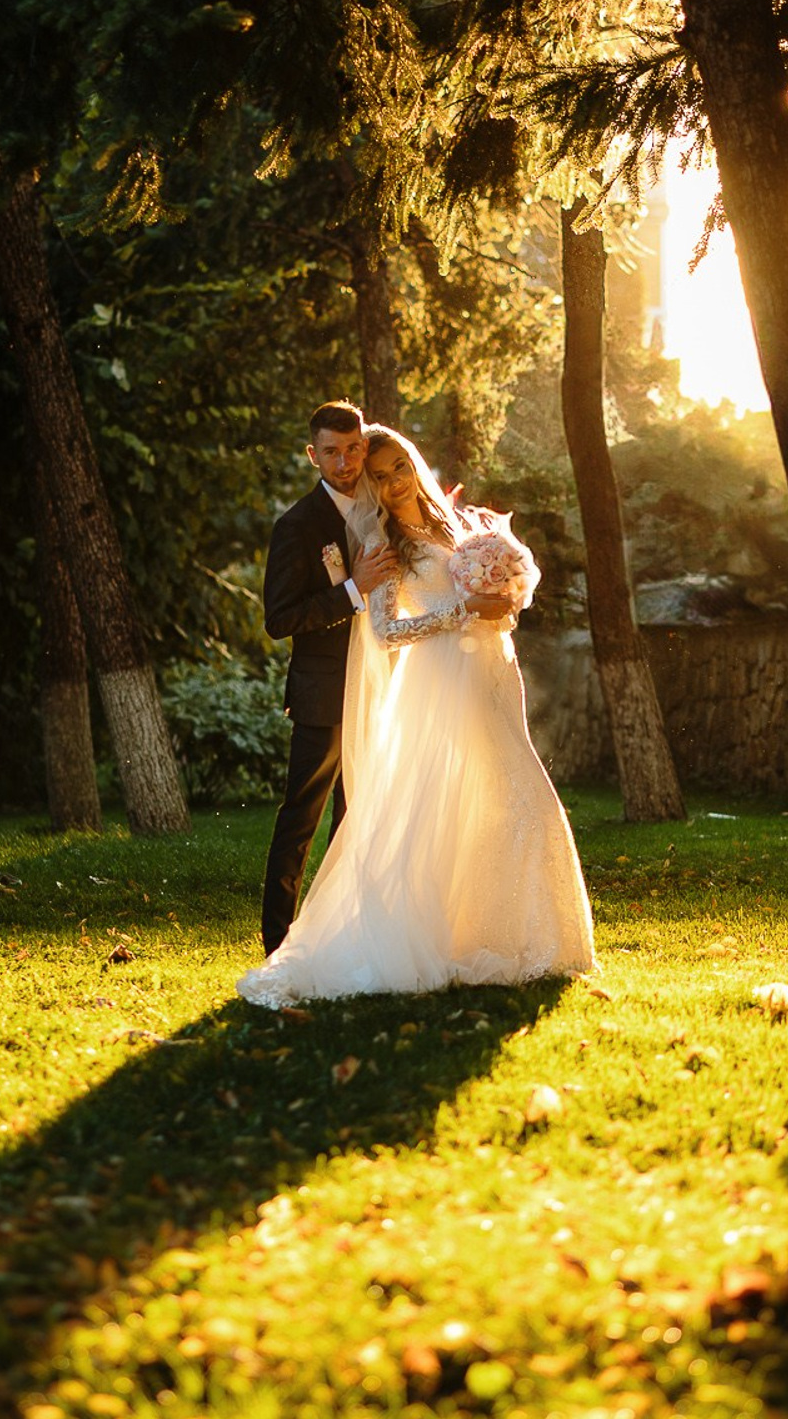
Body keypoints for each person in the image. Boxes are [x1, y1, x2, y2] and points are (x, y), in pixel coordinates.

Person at [239, 425, 596, 1007]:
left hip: (492, 675)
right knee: (467, 800)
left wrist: (503, 596)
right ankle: (421, 937)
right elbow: (387, 630)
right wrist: (462, 609)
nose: (392, 481)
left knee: (504, 798)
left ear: (413, 462)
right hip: (442, 684)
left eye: (397, 467)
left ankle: (517, 938)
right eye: (378, 477)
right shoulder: (381, 542)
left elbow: (492, 596)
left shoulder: (458, 524)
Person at [257, 401, 398, 955]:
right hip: (325, 693)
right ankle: (278, 943)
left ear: (366, 445)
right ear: (314, 454)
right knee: (302, 817)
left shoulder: (386, 508)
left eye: (354, 448)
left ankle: (346, 938)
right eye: (332, 452)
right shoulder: (296, 526)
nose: (345, 462)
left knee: (361, 815)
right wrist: (352, 589)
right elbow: (280, 618)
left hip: (384, 685)